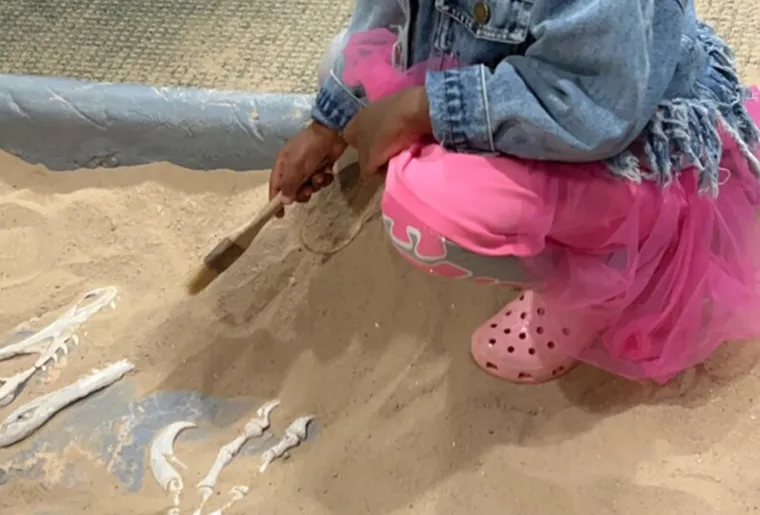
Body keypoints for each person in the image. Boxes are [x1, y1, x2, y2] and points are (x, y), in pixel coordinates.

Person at [268, 0, 760, 385]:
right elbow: (392, 13)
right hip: (506, 87)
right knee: (342, 60)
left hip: (616, 132)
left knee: (428, 212)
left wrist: (421, 110)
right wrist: (329, 120)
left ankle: (599, 274)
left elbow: (595, 110)